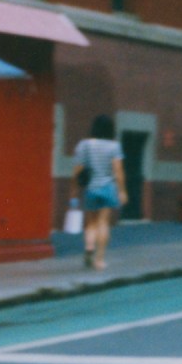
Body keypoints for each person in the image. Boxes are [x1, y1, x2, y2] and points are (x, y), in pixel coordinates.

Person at [71, 114, 127, 270]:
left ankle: (89, 246)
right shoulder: (114, 146)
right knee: (103, 223)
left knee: (90, 223)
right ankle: (99, 260)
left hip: (91, 188)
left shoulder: (84, 145)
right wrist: (122, 191)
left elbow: (77, 170)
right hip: (108, 188)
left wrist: (74, 191)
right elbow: (118, 171)